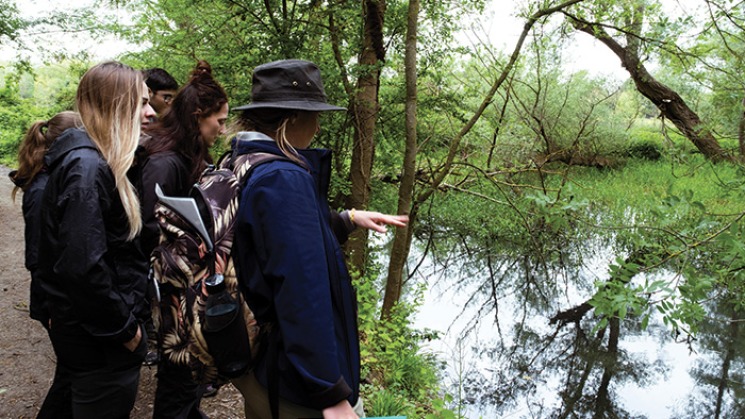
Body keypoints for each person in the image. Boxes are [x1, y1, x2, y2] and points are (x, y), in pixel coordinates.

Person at [229, 59, 408, 419]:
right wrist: (330, 393)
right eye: (315, 114)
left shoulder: (246, 161)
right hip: (296, 388)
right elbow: (301, 292)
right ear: (293, 118)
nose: (319, 124)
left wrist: (348, 220)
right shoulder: (283, 178)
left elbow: (275, 243)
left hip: (267, 368)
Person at [36, 61, 149, 418]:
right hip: (101, 343)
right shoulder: (86, 168)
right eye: (142, 103)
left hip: (89, 336)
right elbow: (82, 264)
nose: (151, 112)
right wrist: (125, 329)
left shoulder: (94, 162)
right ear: (118, 106)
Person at [138, 59, 228, 419]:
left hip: (185, 288)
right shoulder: (165, 163)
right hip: (172, 293)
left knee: (186, 377)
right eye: (218, 121)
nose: (223, 129)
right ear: (197, 116)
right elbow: (147, 229)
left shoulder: (188, 156)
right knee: (177, 375)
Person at [8, 111, 82, 419]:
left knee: (73, 374)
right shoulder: (42, 190)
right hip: (52, 300)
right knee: (70, 376)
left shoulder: (49, 179)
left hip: (56, 299)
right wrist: (54, 308)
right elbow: (38, 258)